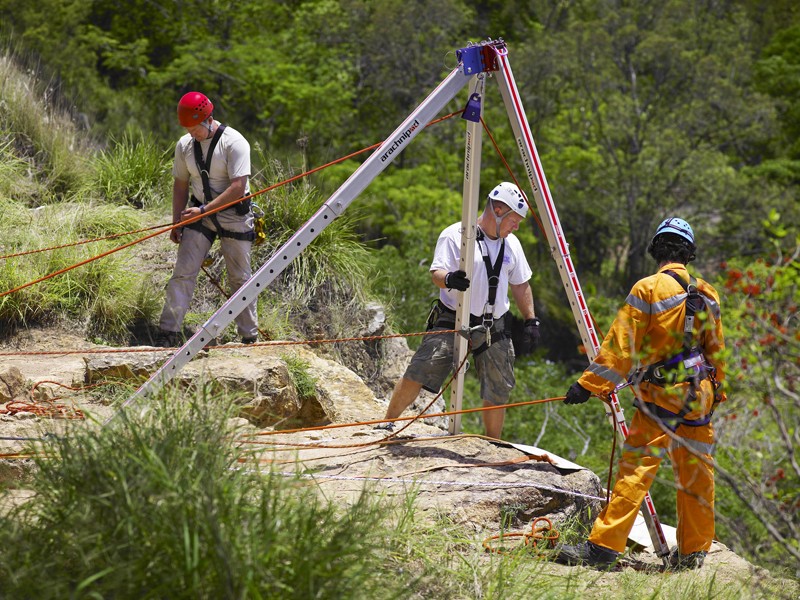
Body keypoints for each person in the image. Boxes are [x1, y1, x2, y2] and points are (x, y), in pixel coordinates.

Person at [556, 217, 726, 570]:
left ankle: (603, 549)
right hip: (700, 397)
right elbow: (716, 351)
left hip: (660, 399)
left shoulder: (648, 288)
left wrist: (588, 386)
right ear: (688, 252)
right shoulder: (709, 293)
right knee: (696, 474)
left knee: (635, 471)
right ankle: (693, 552)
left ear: (657, 249)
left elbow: (620, 347)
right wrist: (718, 392)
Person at [380, 182, 540, 439]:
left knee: (499, 387)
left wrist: (531, 320)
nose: (516, 227)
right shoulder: (456, 235)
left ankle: (493, 442)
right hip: (452, 318)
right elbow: (437, 273)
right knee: (420, 370)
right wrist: (450, 279)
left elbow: (521, 284)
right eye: (514, 220)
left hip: (493, 324)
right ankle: (387, 422)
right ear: (498, 210)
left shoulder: (512, 244)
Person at [155, 91, 259, 347]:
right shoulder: (184, 145)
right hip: (199, 213)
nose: (192, 134)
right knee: (183, 271)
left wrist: (203, 211)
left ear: (208, 119)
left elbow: (237, 187)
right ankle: (168, 331)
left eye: (195, 129)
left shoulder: (235, 143)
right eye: (187, 129)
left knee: (240, 277)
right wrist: (176, 222)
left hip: (233, 214)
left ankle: (248, 336)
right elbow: (180, 184)